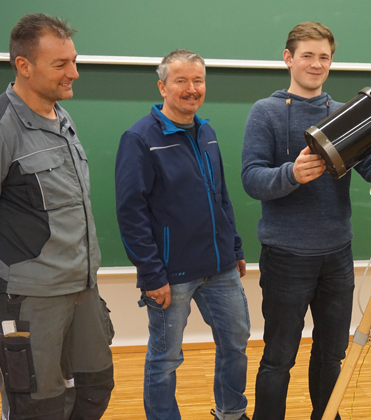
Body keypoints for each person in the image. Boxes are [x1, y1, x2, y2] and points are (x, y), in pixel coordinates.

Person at [241, 22, 371, 420]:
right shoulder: (265, 112)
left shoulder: (343, 115)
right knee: (279, 357)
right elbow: (252, 178)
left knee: (332, 354)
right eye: (307, 55)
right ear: (288, 59)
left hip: (337, 255)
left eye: (324, 57)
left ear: (331, 62)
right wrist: (291, 174)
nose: (316, 64)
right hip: (286, 256)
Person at [0, 13, 114, 420]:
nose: (74, 73)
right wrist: (3, 276)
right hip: (28, 294)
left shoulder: (62, 119)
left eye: (74, 60)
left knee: (94, 387)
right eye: (61, 64)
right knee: (35, 404)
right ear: (23, 66)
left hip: (81, 287)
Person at [115, 49, 250, 420]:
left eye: (198, 80)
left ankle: (231, 413)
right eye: (181, 81)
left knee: (236, 344)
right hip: (170, 276)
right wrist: (152, 274)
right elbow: (130, 214)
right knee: (165, 359)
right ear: (163, 86)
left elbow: (220, 196)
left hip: (221, 267)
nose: (192, 89)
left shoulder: (207, 132)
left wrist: (234, 248)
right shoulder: (140, 139)